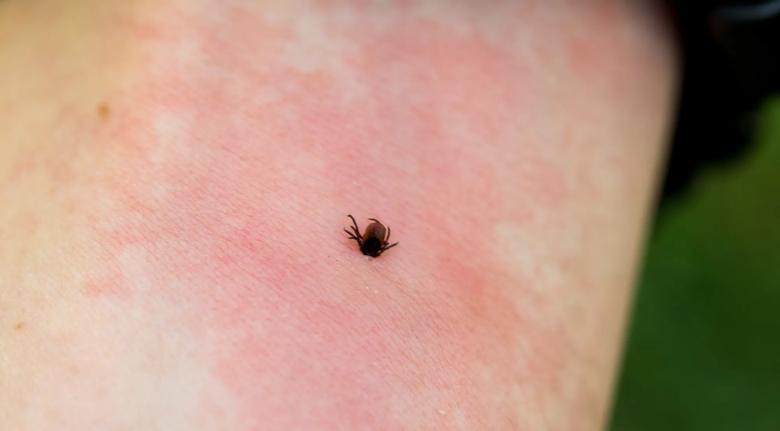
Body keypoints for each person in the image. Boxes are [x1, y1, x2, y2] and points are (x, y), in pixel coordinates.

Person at [0, 1, 676, 429]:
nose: (367, 244)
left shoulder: (369, 241)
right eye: (369, 242)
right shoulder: (375, 243)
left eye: (368, 243)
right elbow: (376, 234)